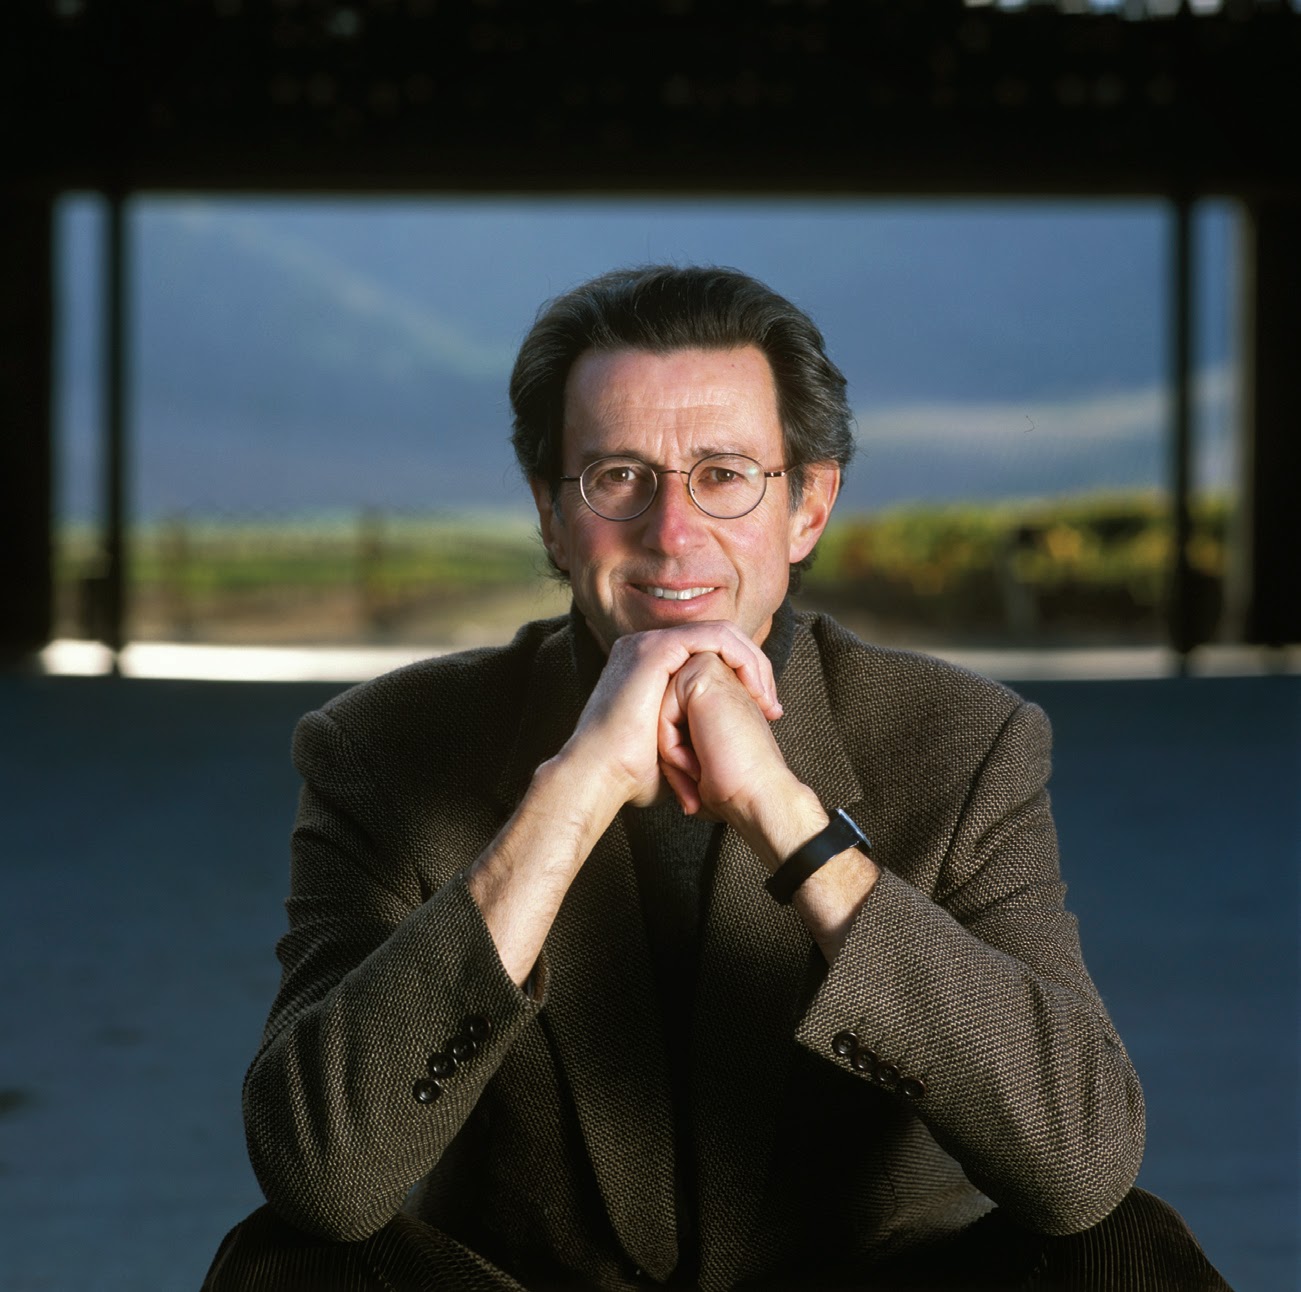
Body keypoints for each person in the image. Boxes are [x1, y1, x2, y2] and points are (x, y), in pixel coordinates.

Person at [203, 266, 1229, 1291]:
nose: (672, 532)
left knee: (1121, 1248)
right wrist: (569, 793)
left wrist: (788, 822)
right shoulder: (381, 746)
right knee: (286, 1264)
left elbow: (1079, 1164)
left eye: (724, 473)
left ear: (808, 506)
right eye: (617, 476)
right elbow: (320, 1177)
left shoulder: (963, 740)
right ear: (550, 514)